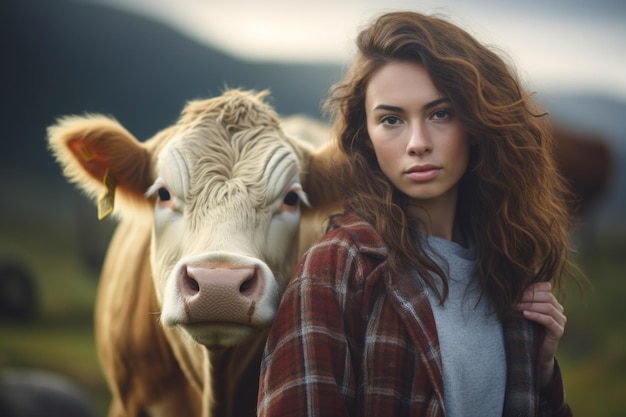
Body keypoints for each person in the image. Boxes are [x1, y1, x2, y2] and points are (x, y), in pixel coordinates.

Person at [258, 11, 576, 417]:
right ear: (366, 137)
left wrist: (544, 373)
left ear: (477, 122)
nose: (417, 143)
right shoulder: (337, 269)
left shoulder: (510, 267)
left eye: (440, 113)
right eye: (391, 119)